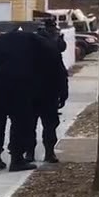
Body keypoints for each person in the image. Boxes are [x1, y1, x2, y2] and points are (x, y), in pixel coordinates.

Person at [0, 28, 56, 172]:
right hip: (19, 87)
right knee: (21, 123)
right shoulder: (36, 42)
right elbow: (50, 62)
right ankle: (17, 159)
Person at [27, 18, 69, 163]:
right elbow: (61, 73)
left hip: (33, 92)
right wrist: (63, 93)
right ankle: (48, 152)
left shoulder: (31, 43)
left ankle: (31, 153)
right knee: (49, 125)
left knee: (30, 125)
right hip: (47, 92)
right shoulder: (52, 47)